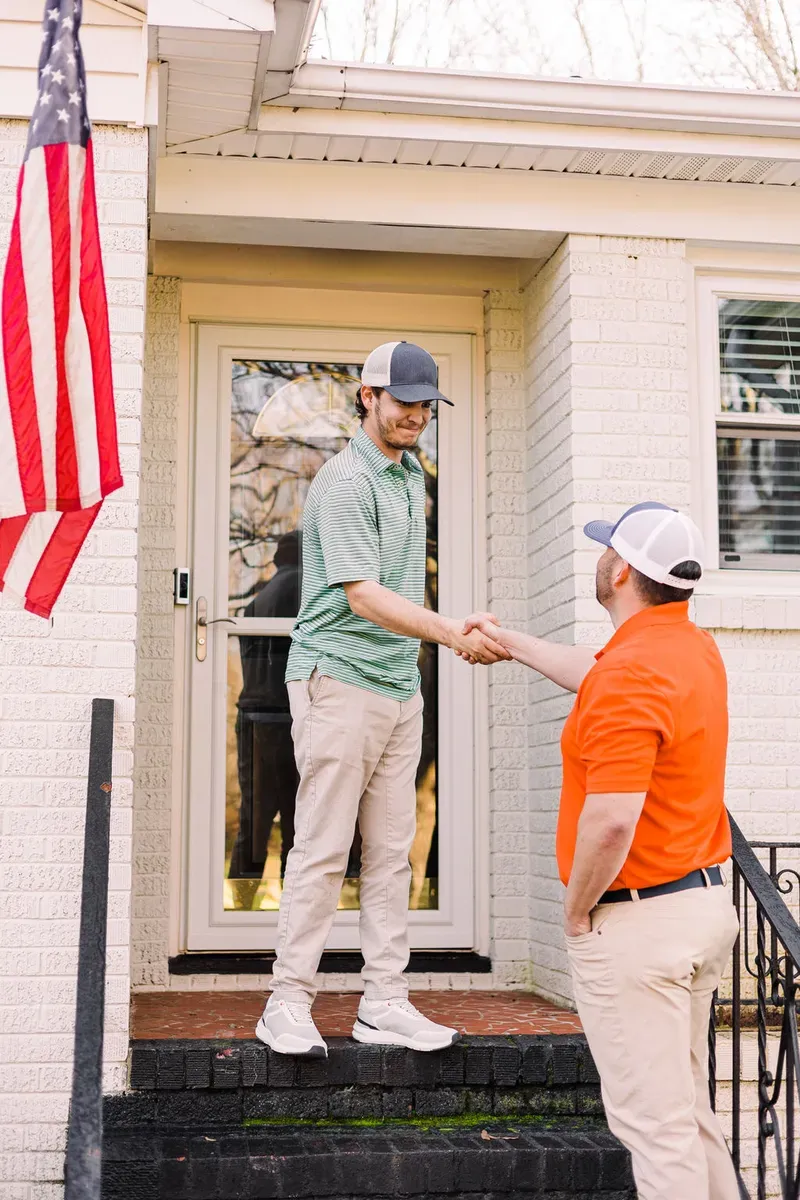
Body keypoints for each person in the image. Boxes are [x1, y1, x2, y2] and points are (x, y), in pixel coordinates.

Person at [465, 501, 740, 1200]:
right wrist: (512, 642)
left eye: (602, 550)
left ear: (619, 569)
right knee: (690, 1118)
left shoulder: (629, 675)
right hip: (704, 904)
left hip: (639, 925)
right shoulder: (688, 650)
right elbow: (594, 670)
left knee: (656, 1133)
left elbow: (612, 820)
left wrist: (577, 910)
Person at [256, 340, 509, 1058]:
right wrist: (452, 632)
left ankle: (385, 1002)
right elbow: (363, 596)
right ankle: (287, 1003)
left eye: (425, 404)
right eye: (403, 402)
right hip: (338, 680)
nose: (415, 416)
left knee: (393, 855)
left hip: (399, 687)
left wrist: (432, 647)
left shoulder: (407, 478)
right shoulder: (342, 482)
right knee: (323, 849)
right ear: (366, 396)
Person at [230, 531, 301, 884]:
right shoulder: (306, 590)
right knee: (297, 821)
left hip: (253, 717)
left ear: (276, 561)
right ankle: (292, 911)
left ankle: (239, 902)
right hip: (289, 716)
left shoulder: (254, 604)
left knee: (254, 821)